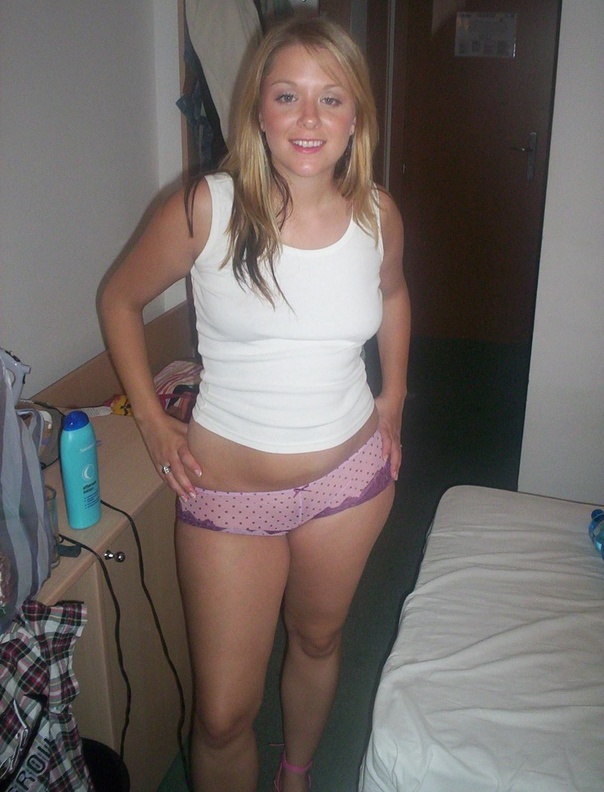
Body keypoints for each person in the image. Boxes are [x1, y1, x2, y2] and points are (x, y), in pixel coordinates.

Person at [100, 16, 410, 792]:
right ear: (258, 111)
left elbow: (394, 295)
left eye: (331, 98)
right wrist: (152, 421)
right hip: (229, 498)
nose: (309, 118)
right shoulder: (206, 208)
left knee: (318, 640)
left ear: (355, 118)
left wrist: (394, 398)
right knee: (221, 717)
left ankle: (295, 775)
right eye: (287, 95)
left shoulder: (378, 214)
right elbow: (120, 299)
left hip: (348, 484)